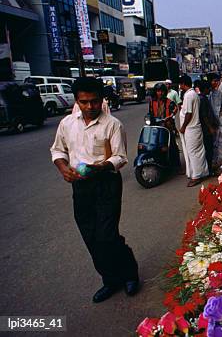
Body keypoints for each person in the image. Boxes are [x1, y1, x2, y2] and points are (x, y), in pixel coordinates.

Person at [50, 77, 139, 303]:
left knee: (107, 235)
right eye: (84, 102)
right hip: (81, 186)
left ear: (102, 100)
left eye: (95, 101)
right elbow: (58, 151)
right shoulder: (67, 124)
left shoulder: (113, 125)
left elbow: (120, 157)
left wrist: (101, 166)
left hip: (106, 182)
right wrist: (63, 169)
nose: (90, 107)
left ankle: (129, 274)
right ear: (77, 101)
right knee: (90, 236)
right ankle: (110, 280)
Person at [177, 75, 208, 186]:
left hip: (191, 128)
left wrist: (183, 127)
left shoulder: (189, 95)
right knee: (198, 152)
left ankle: (196, 176)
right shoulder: (193, 94)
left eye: (180, 84)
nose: (180, 86)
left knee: (193, 153)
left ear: (184, 84)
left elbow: (189, 113)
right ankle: (202, 172)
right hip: (195, 128)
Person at [149, 82, 180, 170]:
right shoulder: (152, 102)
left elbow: (175, 109)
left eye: (162, 91)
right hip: (155, 127)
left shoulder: (169, 102)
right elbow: (150, 113)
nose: (160, 93)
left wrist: (170, 116)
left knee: (172, 145)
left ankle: (177, 165)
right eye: (158, 91)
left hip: (167, 126)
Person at [195, 79, 219, 176]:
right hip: (206, 129)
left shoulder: (202, 97)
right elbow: (204, 115)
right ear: (205, 89)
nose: (210, 90)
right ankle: (209, 170)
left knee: (209, 148)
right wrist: (210, 128)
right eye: (208, 88)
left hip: (206, 128)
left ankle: (209, 168)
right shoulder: (203, 99)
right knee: (208, 149)